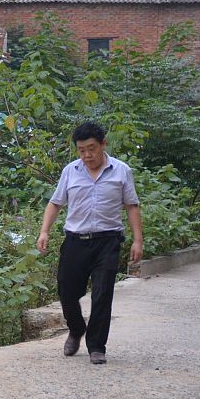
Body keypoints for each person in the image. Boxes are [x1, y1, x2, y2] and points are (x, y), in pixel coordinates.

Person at [36, 121, 142, 365]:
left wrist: (137, 240)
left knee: (103, 294)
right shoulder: (70, 171)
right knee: (66, 290)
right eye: (81, 150)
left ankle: (97, 346)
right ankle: (76, 329)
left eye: (91, 149)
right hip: (75, 241)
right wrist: (44, 232)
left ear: (104, 144)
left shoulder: (121, 171)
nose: (87, 155)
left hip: (108, 241)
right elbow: (55, 203)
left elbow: (131, 205)